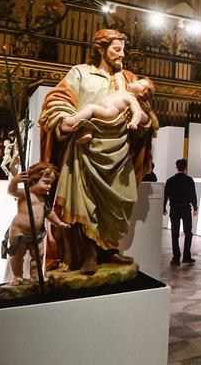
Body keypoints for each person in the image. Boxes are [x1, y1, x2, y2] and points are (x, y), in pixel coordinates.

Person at [39, 28, 158, 275]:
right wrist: (64, 120)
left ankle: (108, 248)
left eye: (123, 49)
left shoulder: (130, 79)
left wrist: (143, 120)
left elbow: (146, 115)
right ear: (100, 49)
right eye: (116, 49)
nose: (122, 54)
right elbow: (57, 101)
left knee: (124, 200)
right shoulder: (81, 73)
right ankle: (89, 254)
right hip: (85, 153)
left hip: (119, 153)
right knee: (85, 203)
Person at [2, 162, 71, 285]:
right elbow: (11, 191)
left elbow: (49, 213)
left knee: (39, 255)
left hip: (37, 234)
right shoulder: (26, 193)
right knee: (18, 255)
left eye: (50, 183)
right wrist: (14, 181)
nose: (49, 187)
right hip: (20, 232)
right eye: (46, 182)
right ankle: (17, 276)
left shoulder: (44, 198)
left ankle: (35, 276)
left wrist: (59, 223)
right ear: (33, 180)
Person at [60, 78, 154, 142]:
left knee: (90, 108)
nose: (135, 81)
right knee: (89, 118)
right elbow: (119, 80)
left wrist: (134, 122)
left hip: (109, 112)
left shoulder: (132, 99)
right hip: (104, 109)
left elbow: (136, 112)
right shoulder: (122, 90)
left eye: (140, 83)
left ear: (142, 94)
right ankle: (87, 133)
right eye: (138, 80)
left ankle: (72, 121)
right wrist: (117, 70)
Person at [164, 158, 198, 265]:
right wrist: (195, 207)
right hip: (185, 209)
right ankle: (186, 256)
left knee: (175, 233)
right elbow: (193, 195)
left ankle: (176, 258)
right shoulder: (189, 180)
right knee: (188, 233)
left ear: (176, 166)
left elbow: (166, 195)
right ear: (186, 167)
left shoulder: (170, 180)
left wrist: (163, 207)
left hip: (174, 209)